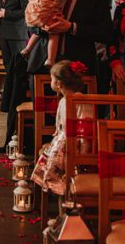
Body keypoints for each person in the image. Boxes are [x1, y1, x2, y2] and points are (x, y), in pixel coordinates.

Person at [30, 60, 93, 196]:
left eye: (51, 79)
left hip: (75, 145)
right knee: (50, 156)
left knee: (52, 160)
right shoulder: (64, 100)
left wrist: (83, 153)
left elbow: (85, 127)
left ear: (58, 84)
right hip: (64, 142)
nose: (50, 82)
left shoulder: (80, 100)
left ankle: (62, 193)